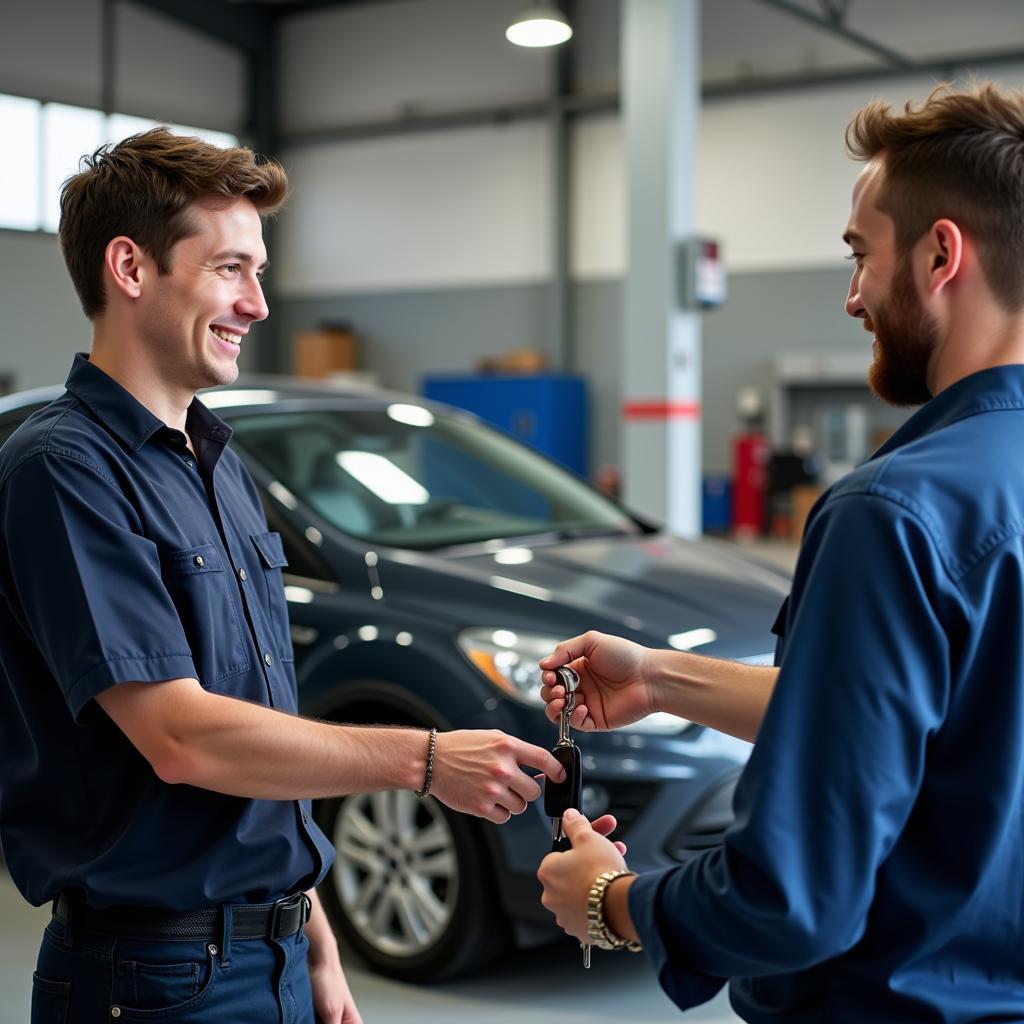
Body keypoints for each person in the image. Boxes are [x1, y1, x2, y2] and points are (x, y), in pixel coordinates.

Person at [0, 128, 583, 1024]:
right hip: (150, 981)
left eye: (259, 271)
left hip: (265, 954)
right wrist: (424, 759)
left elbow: (261, 718)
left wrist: (308, 929)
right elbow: (180, 735)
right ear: (129, 267)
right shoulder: (63, 470)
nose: (259, 304)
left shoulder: (218, 465)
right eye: (232, 268)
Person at [537, 81, 1024, 1022]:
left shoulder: (894, 512)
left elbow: (792, 900)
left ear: (939, 254)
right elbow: (932, 720)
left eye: (860, 257)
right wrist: (663, 679)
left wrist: (612, 901)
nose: (853, 297)